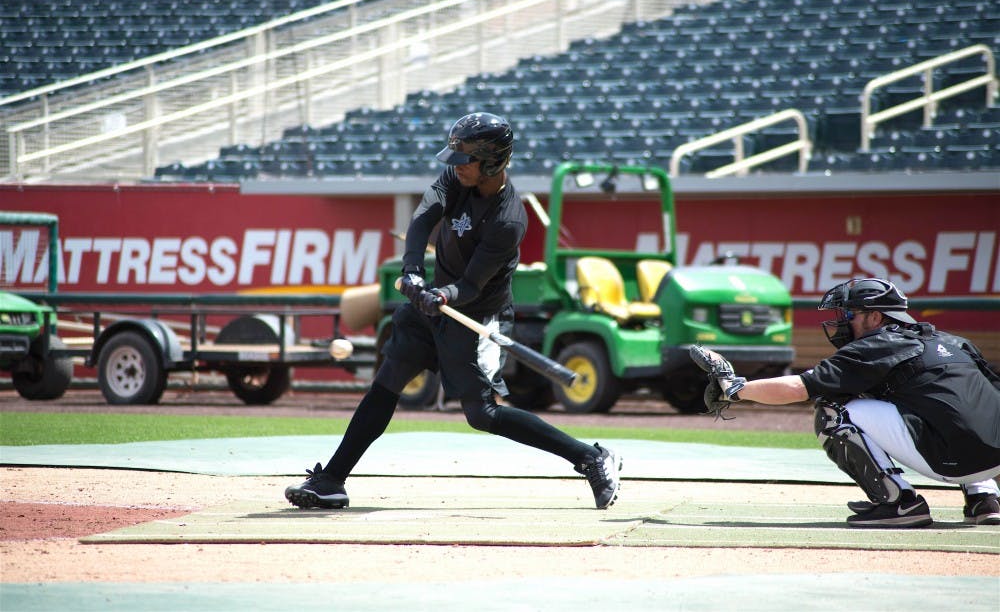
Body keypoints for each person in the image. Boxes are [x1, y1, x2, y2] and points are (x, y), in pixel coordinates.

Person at [285, 112, 622, 511]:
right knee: (388, 381)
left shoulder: (508, 220)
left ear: (493, 162)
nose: (455, 167)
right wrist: (413, 270)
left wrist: (443, 295)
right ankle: (332, 480)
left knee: (483, 415)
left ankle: (590, 457)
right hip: (430, 308)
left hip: (476, 318)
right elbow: (423, 217)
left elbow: (472, 286)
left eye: (466, 160)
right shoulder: (455, 178)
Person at [696, 277, 1000, 528]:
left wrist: (734, 389)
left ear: (875, 317)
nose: (841, 322)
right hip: (994, 460)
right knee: (956, 405)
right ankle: (984, 500)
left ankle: (899, 503)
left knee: (833, 410)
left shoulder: (877, 344)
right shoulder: (955, 341)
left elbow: (797, 388)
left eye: (849, 315)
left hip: (952, 461)